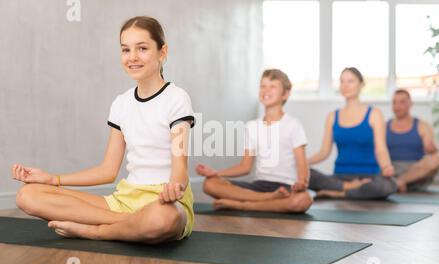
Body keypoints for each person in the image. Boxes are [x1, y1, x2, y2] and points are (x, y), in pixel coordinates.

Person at [12, 16, 196, 244]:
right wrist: (52, 179)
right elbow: (108, 170)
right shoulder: (121, 103)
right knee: (27, 195)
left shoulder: (176, 98)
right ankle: (129, 223)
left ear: (162, 52)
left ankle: (94, 231)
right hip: (125, 200)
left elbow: (180, 168)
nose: (132, 57)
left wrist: (175, 189)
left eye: (142, 48)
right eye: (125, 50)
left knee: (164, 219)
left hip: (165, 202)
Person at [196, 69, 313, 213]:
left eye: (272, 86)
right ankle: (268, 199)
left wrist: (302, 182)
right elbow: (245, 166)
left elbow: (302, 164)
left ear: (285, 94)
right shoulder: (252, 126)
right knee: (210, 184)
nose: (266, 90)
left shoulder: (293, 125)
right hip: (259, 187)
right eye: (263, 86)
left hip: (285, 188)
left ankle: (242, 205)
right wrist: (216, 173)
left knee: (303, 200)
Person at [308, 67, 397, 200]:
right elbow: (324, 152)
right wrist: (302, 162)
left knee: (388, 185)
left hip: (369, 177)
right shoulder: (332, 116)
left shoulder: (374, 114)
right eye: (342, 81)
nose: (345, 85)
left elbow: (381, 149)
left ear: (361, 84)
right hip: (340, 178)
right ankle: (348, 188)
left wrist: (386, 166)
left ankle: (338, 193)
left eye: (350, 81)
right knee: (307, 174)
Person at [387, 89, 439, 192]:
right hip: (392, 170)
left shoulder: (422, 126)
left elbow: (432, 151)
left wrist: (432, 149)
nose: (397, 106)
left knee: (437, 160)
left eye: (402, 102)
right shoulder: (384, 126)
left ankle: (399, 182)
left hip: (416, 171)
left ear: (410, 104)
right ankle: (397, 183)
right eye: (394, 102)